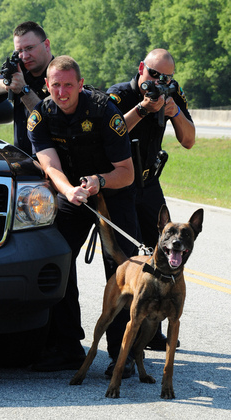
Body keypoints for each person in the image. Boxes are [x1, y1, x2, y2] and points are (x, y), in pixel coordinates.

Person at [27, 55, 138, 377]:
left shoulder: (105, 111)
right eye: (56, 85)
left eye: (68, 85)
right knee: (56, 261)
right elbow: (50, 166)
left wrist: (99, 182)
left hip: (114, 191)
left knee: (122, 271)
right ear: (47, 86)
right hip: (73, 193)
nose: (62, 92)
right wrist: (69, 192)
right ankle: (67, 347)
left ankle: (123, 352)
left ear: (80, 84)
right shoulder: (41, 116)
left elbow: (126, 172)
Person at [107, 48, 195, 350]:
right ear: (142, 68)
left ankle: (152, 331)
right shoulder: (119, 95)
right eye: (154, 75)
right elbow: (111, 136)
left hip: (148, 182)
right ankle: (122, 348)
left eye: (167, 78)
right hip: (120, 184)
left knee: (161, 254)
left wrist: (175, 112)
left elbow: (189, 140)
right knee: (126, 260)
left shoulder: (172, 95)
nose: (159, 82)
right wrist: (144, 108)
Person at [0, 21, 53, 156]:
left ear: (46, 45)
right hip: (23, 160)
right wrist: (7, 84)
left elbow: (50, 121)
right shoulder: (20, 70)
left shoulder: (60, 74)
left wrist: (23, 90)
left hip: (53, 160)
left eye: (29, 48)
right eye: (19, 51)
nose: (25, 56)